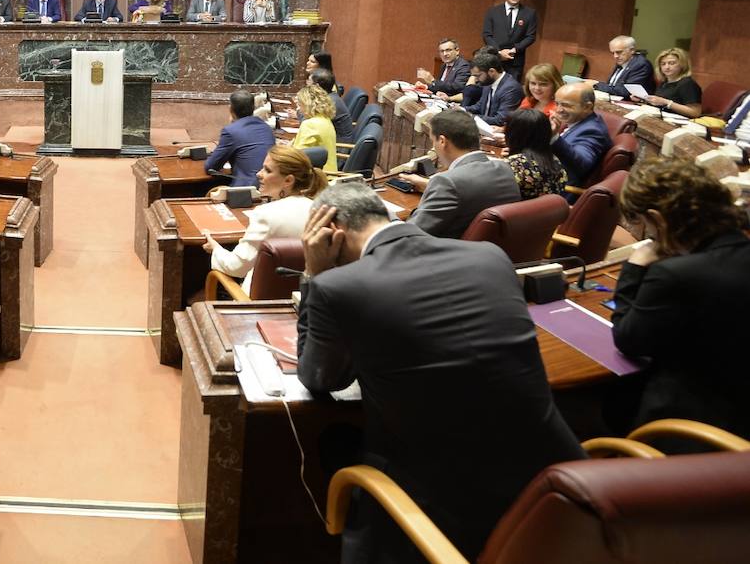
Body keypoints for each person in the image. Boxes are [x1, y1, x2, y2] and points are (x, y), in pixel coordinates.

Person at [295, 181, 583, 562]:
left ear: (332, 232)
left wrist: (314, 275)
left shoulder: (338, 286)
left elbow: (319, 378)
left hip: (444, 507)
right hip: (554, 486)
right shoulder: (489, 256)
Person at [612, 157, 750, 440]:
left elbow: (628, 341)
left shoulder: (675, 275)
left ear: (658, 219)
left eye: (645, 224)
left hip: (687, 431)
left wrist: (635, 267)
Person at [202, 144, 326, 293]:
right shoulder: (320, 211)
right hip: (304, 298)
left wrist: (216, 249)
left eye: (267, 170)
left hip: (258, 301)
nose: (259, 174)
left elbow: (236, 267)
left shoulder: (265, 214)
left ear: (288, 180)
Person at [400, 110, 520, 238]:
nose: (433, 147)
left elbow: (410, 235)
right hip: (495, 253)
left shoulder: (446, 182)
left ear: (442, 141)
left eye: (432, 141)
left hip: (444, 253)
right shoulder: (504, 169)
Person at [550, 82, 612, 194]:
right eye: (557, 103)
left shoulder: (592, 131)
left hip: (558, 191)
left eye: (566, 105)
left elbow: (581, 164)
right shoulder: (577, 120)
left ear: (587, 107)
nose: (558, 110)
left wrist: (553, 137)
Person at [204, 90, 276, 187]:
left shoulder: (231, 131)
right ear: (253, 108)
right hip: (270, 186)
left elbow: (211, 167)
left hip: (246, 191)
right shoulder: (266, 128)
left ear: (230, 109)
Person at [504, 108, 566, 199]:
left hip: (513, 211)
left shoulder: (514, 165)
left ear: (513, 134)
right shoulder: (556, 162)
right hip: (548, 212)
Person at [481, 0, 538, 78]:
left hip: (515, 61)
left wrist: (515, 49)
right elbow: (487, 34)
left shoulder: (529, 13)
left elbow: (531, 36)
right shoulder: (493, 11)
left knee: (511, 90)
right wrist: (499, 52)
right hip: (494, 59)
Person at [637, 47, 703, 118]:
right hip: (661, 118)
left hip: (679, 123)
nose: (667, 67)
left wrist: (667, 103)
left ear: (682, 64)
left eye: (672, 63)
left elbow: (695, 112)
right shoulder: (665, 82)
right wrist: (642, 100)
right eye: (663, 64)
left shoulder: (687, 83)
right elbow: (660, 103)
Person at [464, 50, 523, 126]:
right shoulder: (489, 82)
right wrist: (463, 110)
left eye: (478, 76)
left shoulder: (511, 88)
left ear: (492, 71)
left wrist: (471, 117)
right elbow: (479, 106)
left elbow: (501, 119)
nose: (475, 79)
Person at [290, 82, 339, 172]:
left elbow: (296, 158)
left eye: (300, 105)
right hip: (330, 173)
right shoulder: (326, 119)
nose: (299, 110)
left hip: (316, 178)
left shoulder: (309, 124)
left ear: (307, 104)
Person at [310, 67, 353, 143]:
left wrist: (299, 110)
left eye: (308, 82)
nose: (307, 86)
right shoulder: (330, 96)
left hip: (339, 148)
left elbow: (312, 127)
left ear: (316, 86)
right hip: (331, 141)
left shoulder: (329, 102)